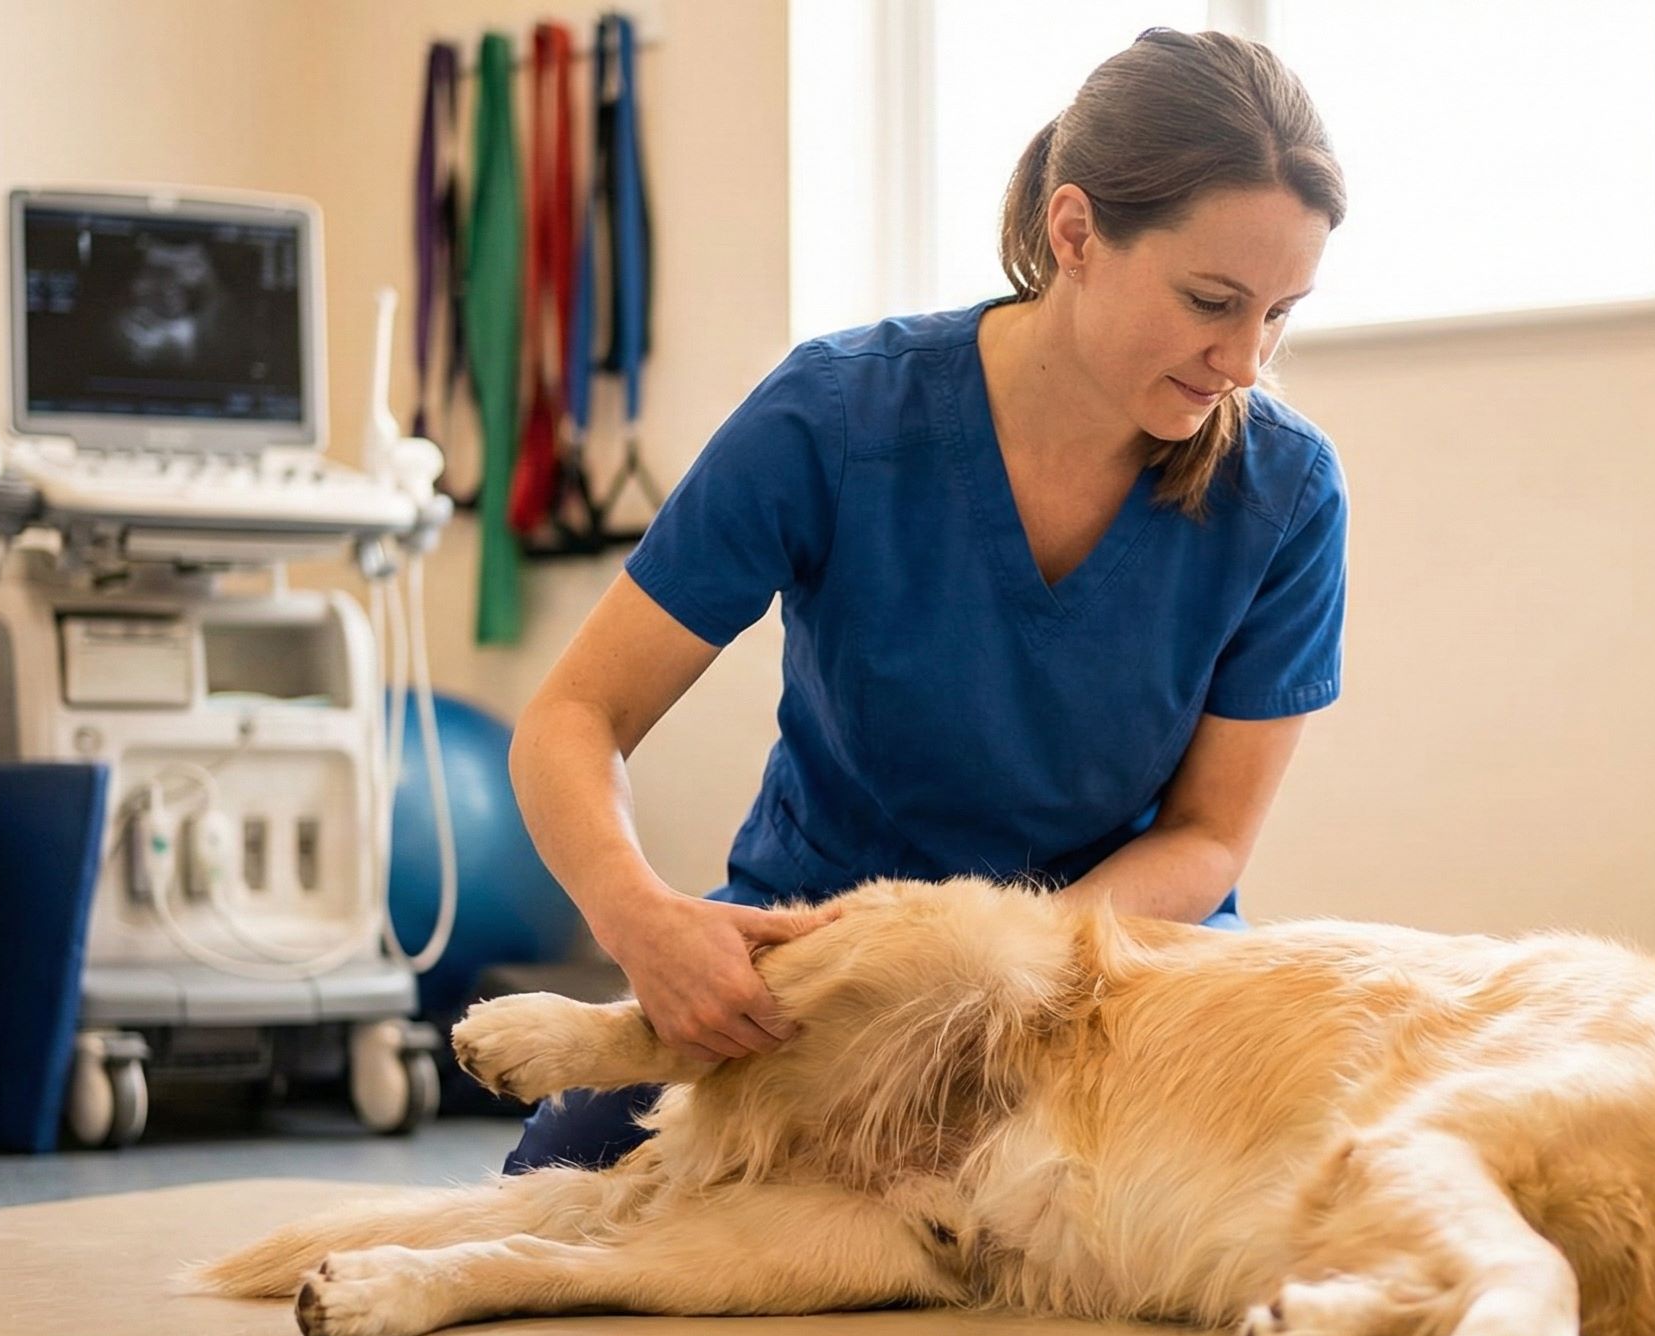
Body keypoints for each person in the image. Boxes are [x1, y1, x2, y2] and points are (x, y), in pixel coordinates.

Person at [501, 27, 1348, 1173]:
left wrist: (991, 980)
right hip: (820, 961)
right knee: (561, 1180)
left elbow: (1208, 837)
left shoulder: (1285, 492)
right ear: (1075, 233)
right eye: (1212, 301)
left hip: (1110, 965)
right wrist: (639, 918)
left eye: (1280, 313)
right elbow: (575, 716)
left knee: (1235, 1213)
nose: (1245, 361)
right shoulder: (833, 418)